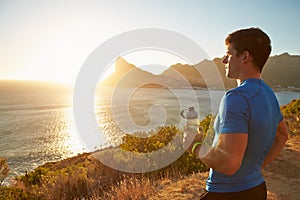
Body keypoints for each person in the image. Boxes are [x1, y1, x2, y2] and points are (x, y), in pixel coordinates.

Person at [184, 27, 288, 200]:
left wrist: (194, 146)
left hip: (226, 193)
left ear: (245, 57)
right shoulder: (269, 93)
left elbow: (229, 164)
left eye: (229, 53)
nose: (224, 60)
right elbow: (282, 136)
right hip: (256, 188)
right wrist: (253, 169)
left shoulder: (237, 97)